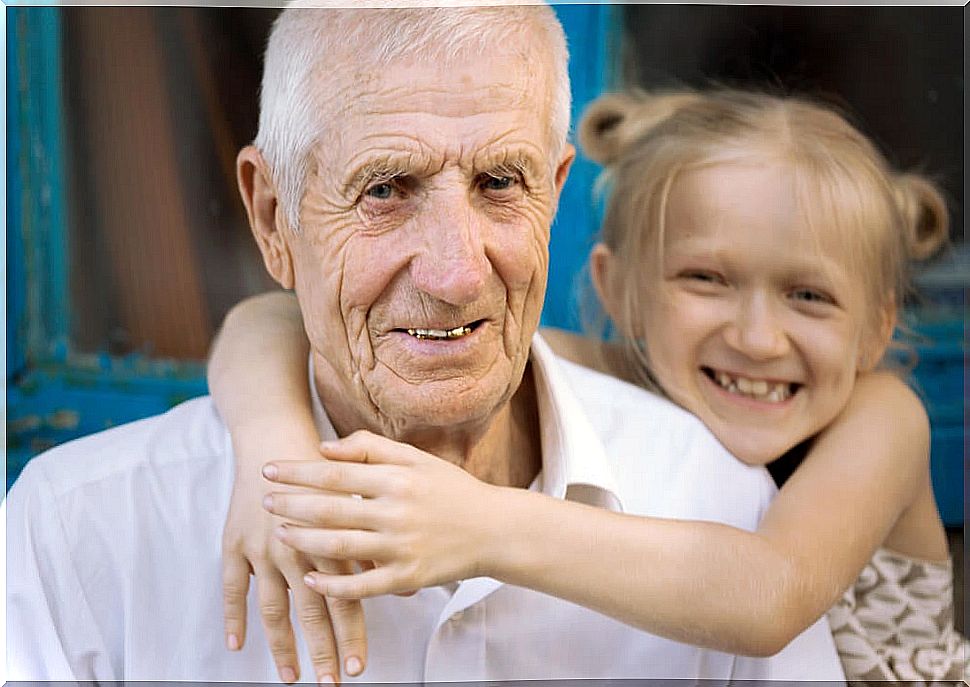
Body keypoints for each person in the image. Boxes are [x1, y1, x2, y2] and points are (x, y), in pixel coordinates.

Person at [3, 5, 844, 683]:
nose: (456, 276)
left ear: (554, 194)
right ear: (271, 217)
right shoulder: (80, 532)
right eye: (386, 189)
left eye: (499, 183)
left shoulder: (708, 495)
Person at [209, 88, 969, 682]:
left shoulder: (881, 417)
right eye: (706, 279)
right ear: (620, 292)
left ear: (876, 327)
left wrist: (481, 525)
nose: (757, 337)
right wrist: (274, 449)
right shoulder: (636, 373)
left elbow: (770, 594)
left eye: (810, 296)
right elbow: (272, 319)